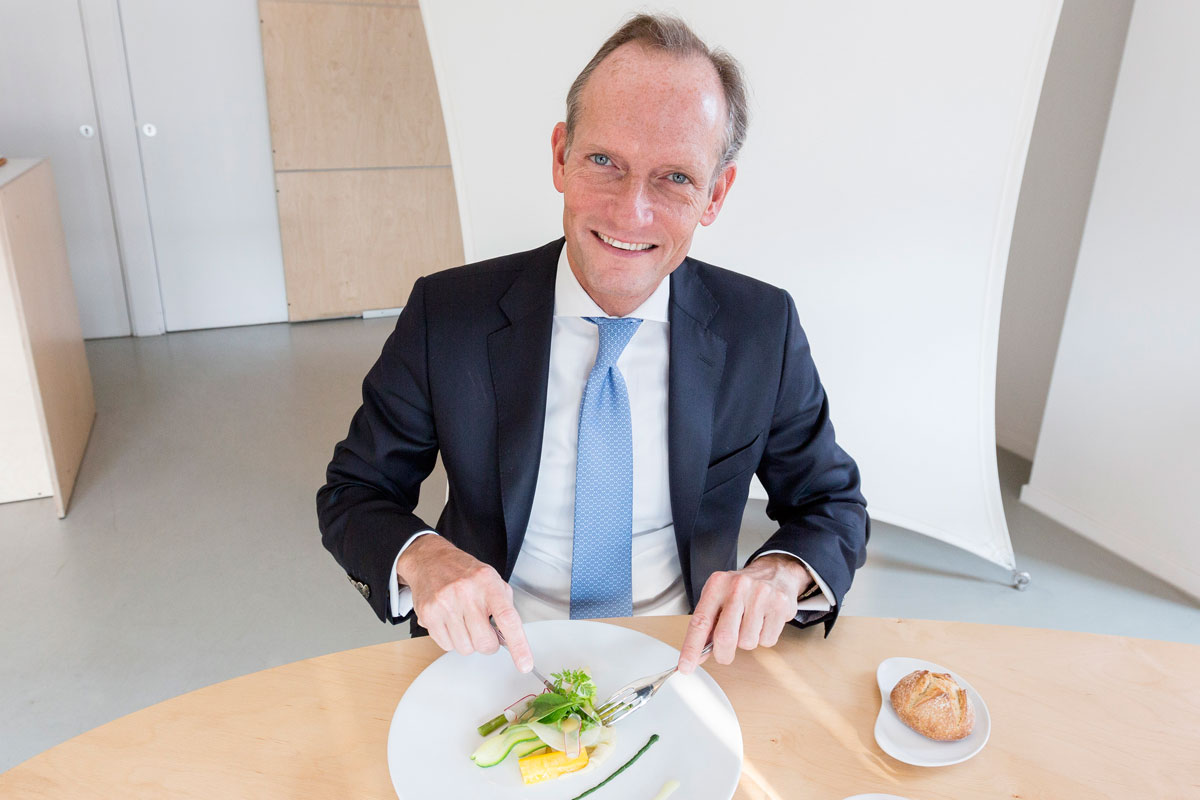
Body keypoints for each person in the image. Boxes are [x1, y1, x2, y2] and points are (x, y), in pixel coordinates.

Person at [316, 13, 868, 677]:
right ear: (561, 157)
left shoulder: (761, 328)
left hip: (683, 658)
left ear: (716, 194)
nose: (630, 212)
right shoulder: (448, 315)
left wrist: (780, 574)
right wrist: (426, 559)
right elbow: (355, 492)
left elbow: (831, 504)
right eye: (604, 161)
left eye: (675, 178)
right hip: (492, 653)